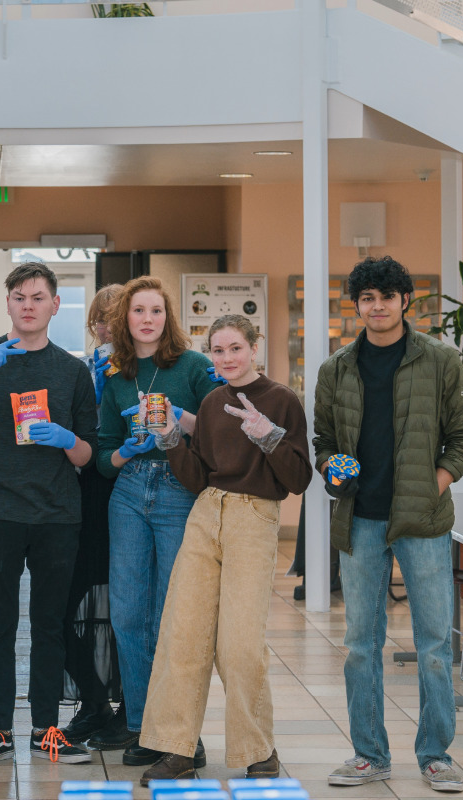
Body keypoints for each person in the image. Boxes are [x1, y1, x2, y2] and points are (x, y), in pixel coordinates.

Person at [313, 256, 463, 793]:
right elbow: (323, 442)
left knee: (434, 644)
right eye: (367, 298)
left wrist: (429, 486)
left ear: (404, 301)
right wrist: (329, 468)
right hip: (359, 519)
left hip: (424, 522)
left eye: (387, 296)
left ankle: (435, 755)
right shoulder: (335, 367)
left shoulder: (439, 360)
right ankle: (369, 755)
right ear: (357, 305)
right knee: (362, 643)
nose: (377, 306)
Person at [0, 262, 99, 766]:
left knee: (48, 625)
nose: (28, 305)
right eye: (20, 297)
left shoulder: (72, 370)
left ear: (54, 305)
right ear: (7, 303)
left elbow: (89, 454)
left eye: (39, 297)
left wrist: (66, 438)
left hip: (56, 516)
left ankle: (46, 729)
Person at [138, 314, 312, 786]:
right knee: (183, 633)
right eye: (217, 350)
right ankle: (176, 750)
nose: (226, 358)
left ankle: (259, 751)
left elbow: (298, 479)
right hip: (206, 514)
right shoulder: (213, 402)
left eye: (235, 348)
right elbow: (197, 476)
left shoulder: (281, 400)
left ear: (254, 348)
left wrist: (268, 436)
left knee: (240, 643)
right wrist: (171, 438)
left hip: (254, 518)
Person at [89, 277, 218, 765]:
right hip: (127, 494)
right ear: (125, 318)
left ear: (169, 318)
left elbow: (221, 420)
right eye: (138, 311)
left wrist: (178, 421)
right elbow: (102, 456)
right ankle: (145, 725)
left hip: (177, 489)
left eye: (157, 311)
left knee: (175, 614)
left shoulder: (194, 366)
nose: (148, 319)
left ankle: (183, 731)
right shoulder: (117, 374)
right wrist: (124, 450)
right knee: (128, 614)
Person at [60, 283, 124, 745]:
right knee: (62, 610)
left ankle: (132, 709)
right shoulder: (79, 369)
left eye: (115, 317)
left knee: (132, 611)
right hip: (82, 500)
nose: (106, 326)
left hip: (132, 497)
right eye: (100, 318)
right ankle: (94, 698)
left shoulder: (150, 375)